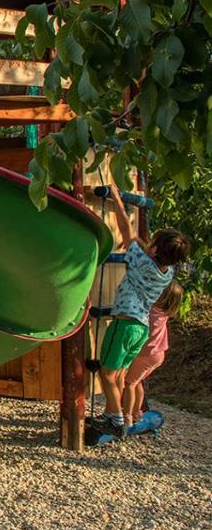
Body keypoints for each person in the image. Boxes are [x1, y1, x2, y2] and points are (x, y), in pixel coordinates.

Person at [95, 184, 191, 436]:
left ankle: (114, 419)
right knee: (120, 374)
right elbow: (139, 243)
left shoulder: (141, 261)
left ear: (155, 249)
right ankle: (116, 415)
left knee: (106, 373)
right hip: (140, 330)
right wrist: (146, 245)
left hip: (125, 325)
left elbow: (128, 233)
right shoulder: (166, 273)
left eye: (154, 242)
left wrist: (116, 198)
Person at [124, 280, 182, 425]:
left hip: (146, 355)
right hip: (158, 354)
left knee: (129, 383)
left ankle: (127, 416)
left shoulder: (151, 311)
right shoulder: (163, 313)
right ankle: (137, 412)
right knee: (137, 382)